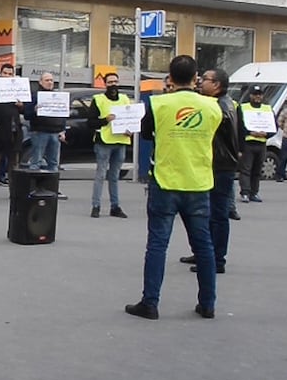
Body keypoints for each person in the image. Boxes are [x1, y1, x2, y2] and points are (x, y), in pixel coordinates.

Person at [125, 55, 222, 321]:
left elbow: (146, 135)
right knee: (204, 246)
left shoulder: (158, 104)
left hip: (166, 181)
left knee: (157, 244)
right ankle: (208, 303)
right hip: (199, 182)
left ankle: (150, 302)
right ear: (196, 77)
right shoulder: (213, 107)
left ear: (169, 77)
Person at [178, 68, 239, 275]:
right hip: (217, 164)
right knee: (206, 212)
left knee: (217, 213)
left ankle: (217, 259)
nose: (201, 82)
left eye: (206, 79)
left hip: (219, 166)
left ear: (217, 85)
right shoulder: (225, 103)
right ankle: (205, 252)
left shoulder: (219, 106)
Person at [88, 72, 131, 218]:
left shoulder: (125, 99)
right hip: (104, 142)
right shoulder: (98, 99)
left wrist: (131, 130)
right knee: (100, 175)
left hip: (121, 141)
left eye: (115, 81)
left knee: (114, 176)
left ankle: (115, 206)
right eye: (110, 82)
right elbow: (90, 122)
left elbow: (131, 119)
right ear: (105, 84)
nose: (113, 84)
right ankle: (96, 206)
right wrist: (105, 120)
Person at [0, 63, 25, 201]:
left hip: (14, 130)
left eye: (10, 74)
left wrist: (21, 106)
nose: (7, 76)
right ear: (0, 73)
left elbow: (24, 109)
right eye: (5, 73)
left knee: (14, 163)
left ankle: (14, 192)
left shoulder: (17, 87)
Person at [237, 85, 275, 203]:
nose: (258, 97)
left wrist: (266, 134)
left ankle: (254, 192)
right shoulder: (243, 107)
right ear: (250, 95)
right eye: (255, 94)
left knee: (257, 170)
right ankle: (245, 193)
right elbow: (239, 126)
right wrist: (250, 132)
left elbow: (274, 127)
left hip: (261, 144)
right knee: (246, 169)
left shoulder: (267, 109)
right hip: (248, 143)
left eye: (260, 94)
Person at [25, 71, 67, 172]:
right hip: (40, 132)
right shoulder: (34, 96)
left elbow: (63, 115)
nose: (50, 82)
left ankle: (51, 187)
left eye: (51, 80)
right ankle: (33, 186)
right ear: (40, 82)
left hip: (55, 133)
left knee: (53, 163)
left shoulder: (58, 97)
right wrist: (34, 111)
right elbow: (27, 115)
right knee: (36, 162)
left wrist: (63, 130)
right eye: (47, 80)